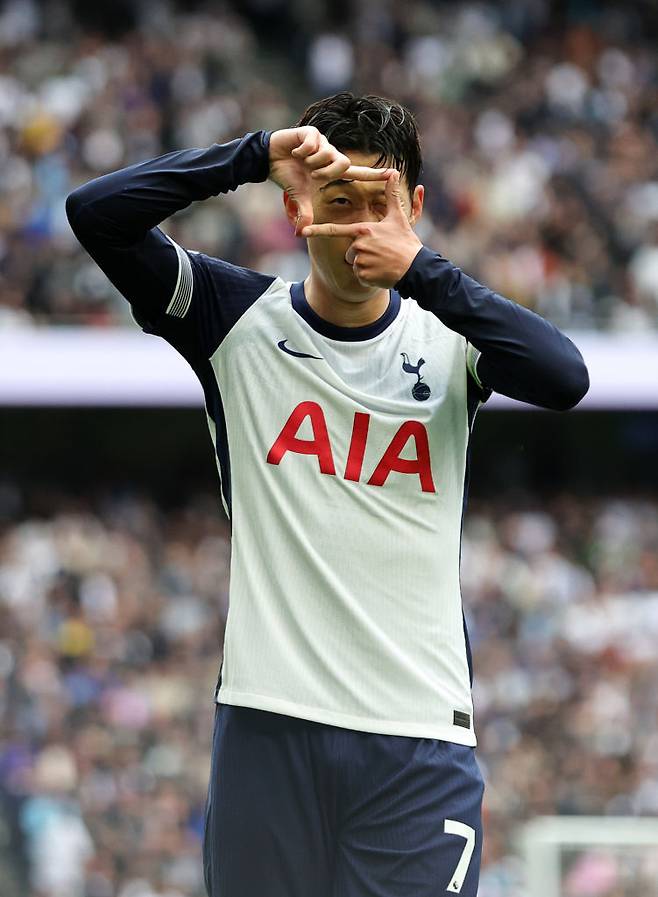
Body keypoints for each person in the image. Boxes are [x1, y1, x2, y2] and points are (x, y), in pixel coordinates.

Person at [66, 91, 589, 897]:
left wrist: (424, 271)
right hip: (268, 722)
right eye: (340, 202)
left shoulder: (452, 337)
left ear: (415, 208)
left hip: (417, 737)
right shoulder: (233, 319)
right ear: (297, 210)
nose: (360, 229)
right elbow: (96, 215)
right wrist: (249, 156)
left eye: (381, 204)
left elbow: (564, 377)